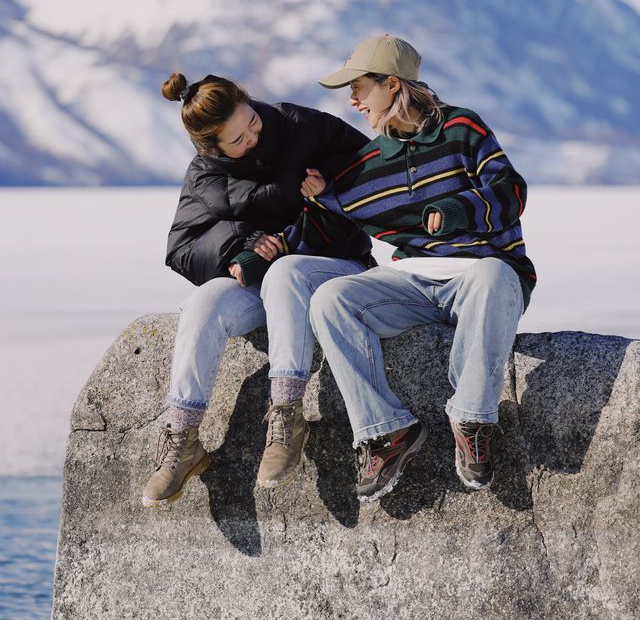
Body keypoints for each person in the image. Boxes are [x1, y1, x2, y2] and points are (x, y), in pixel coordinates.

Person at [239, 35, 536, 503]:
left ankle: (471, 418)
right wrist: (256, 255)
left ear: (393, 84)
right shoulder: (369, 164)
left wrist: (460, 210)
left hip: (481, 275)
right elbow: (318, 220)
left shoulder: (462, 128)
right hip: (410, 283)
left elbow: (511, 191)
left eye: (359, 87)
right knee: (331, 299)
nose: (352, 101)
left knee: (495, 275)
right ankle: (385, 432)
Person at [142, 72, 372, 507]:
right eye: (238, 138)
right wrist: (241, 246)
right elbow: (182, 248)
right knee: (203, 301)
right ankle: (182, 437)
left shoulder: (301, 126)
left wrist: (328, 195)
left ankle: (286, 414)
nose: (253, 136)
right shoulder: (204, 174)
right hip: (264, 285)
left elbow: (375, 173)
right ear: (211, 147)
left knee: (286, 271)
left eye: (252, 122)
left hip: (334, 268)